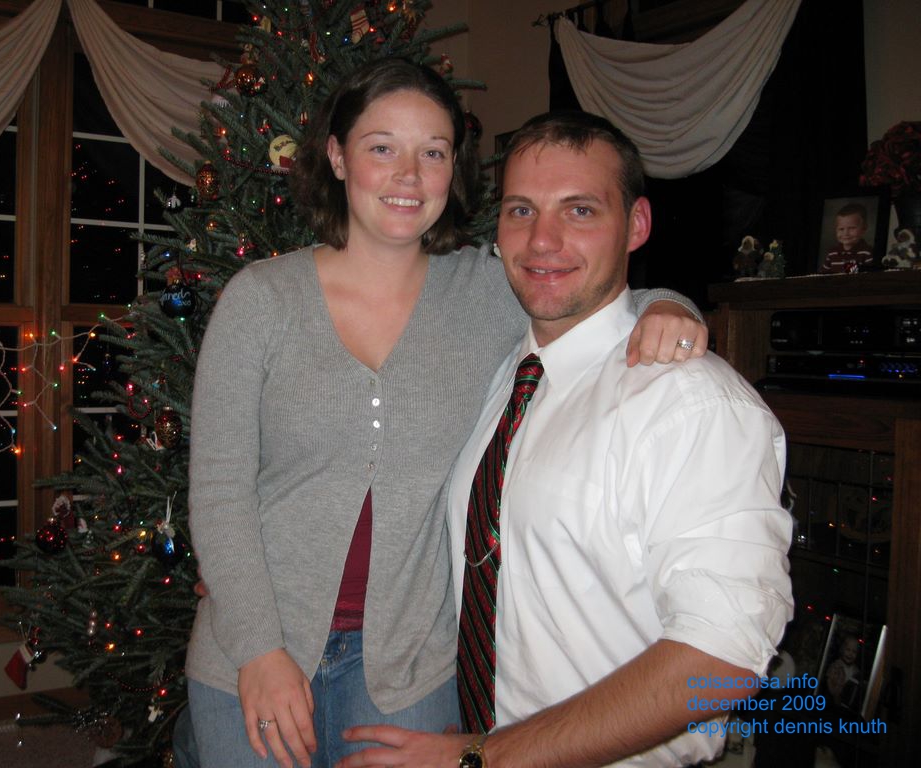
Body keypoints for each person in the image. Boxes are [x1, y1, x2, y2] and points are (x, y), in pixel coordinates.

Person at [184, 60, 707, 768]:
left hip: (407, 669)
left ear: (452, 170)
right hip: (252, 653)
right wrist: (259, 651)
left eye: (432, 152)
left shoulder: (487, 290)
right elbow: (217, 492)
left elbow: (583, 290)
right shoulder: (261, 301)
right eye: (381, 148)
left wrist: (670, 304)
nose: (408, 174)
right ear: (337, 156)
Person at [336, 111, 794, 768]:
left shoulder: (690, 404)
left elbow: (722, 660)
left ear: (636, 225)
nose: (542, 240)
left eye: (579, 211)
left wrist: (481, 756)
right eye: (521, 211)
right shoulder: (505, 380)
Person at [820, 202, 873, 273]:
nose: (846, 233)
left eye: (852, 228)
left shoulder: (867, 253)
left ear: (864, 229)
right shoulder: (832, 254)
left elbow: (870, 277)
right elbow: (822, 275)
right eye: (841, 229)